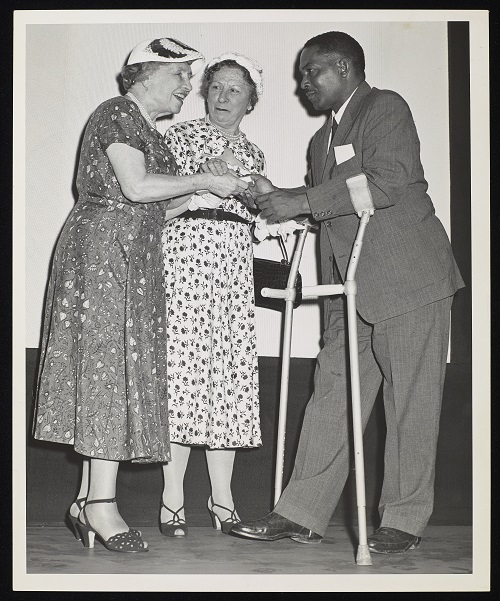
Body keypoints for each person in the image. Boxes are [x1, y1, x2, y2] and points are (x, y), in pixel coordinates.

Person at [230, 31, 465, 553]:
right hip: (348, 290)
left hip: (410, 280)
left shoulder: (384, 108)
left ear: (344, 66)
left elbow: (388, 181)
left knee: (411, 404)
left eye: (311, 71)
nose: (303, 82)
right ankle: (300, 514)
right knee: (331, 395)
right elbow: (331, 211)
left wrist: (302, 200)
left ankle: (403, 520)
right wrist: (281, 202)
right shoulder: (319, 143)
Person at [33, 37, 249, 553]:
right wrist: (201, 179)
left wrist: (204, 188)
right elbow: (133, 187)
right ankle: (100, 505)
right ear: (146, 75)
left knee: (116, 371)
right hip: (104, 252)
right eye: (179, 77)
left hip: (131, 255)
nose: (187, 88)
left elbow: (160, 206)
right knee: (108, 370)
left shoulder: (151, 132)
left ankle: (87, 498)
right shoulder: (117, 113)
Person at [159, 53, 265, 536]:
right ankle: (171, 498)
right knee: (181, 375)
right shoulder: (177, 137)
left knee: (228, 377)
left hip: (232, 268)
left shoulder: (255, 154)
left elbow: (258, 212)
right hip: (185, 260)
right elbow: (157, 203)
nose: (223, 98)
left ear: (250, 100)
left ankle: (222, 499)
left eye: (234, 90)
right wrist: (202, 174)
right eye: (216, 87)